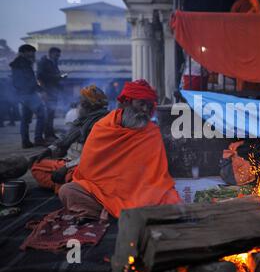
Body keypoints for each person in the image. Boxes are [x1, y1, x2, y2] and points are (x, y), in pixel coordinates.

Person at [58, 79, 182, 221]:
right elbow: (89, 170)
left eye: (149, 106)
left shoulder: (151, 132)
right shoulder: (103, 127)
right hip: (103, 192)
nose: (145, 110)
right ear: (126, 103)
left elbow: (155, 175)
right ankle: (114, 209)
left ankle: (109, 211)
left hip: (140, 193)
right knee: (67, 191)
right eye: (141, 104)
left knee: (170, 199)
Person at [30, 85, 109, 193]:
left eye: (79, 104)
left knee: (36, 168)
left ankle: (69, 187)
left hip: (84, 167)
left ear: (86, 105)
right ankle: (69, 186)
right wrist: (49, 150)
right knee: (38, 165)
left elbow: (94, 156)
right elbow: (65, 138)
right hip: (71, 164)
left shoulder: (99, 124)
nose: (77, 107)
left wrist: (66, 167)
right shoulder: (83, 121)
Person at [9, 44, 47, 148]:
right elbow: (25, 80)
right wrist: (37, 89)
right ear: (24, 52)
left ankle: (25, 142)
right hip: (28, 93)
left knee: (25, 119)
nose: (33, 54)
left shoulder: (20, 63)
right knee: (42, 114)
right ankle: (38, 138)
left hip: (23, 94)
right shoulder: (22, 63)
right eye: (31, 52)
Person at [230, 0, 260, 92]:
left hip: (242, 42)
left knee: (243, 69)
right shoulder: (254, 1)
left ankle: (243, 92)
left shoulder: (239, 4)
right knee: (254, 67)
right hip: (256, 40)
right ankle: (255, 92)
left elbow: (232, 22)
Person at [37, 47, 67, 141]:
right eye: (56, 55)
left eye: (59, 55)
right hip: (47, 91)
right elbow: (40, 76)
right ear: (51, 53)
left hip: (54, 91)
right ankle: (45, 135)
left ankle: (50, 134)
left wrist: (60, 78)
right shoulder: (44, 62)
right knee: (47, 114)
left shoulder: (54, 63)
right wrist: (56, 77)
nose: (58, 57)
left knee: (51, 114)